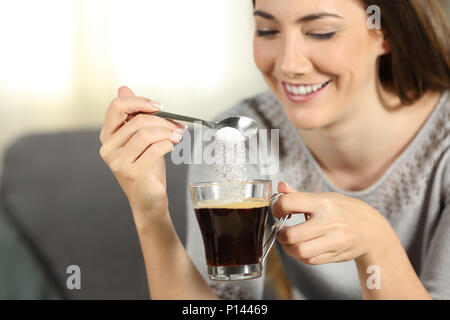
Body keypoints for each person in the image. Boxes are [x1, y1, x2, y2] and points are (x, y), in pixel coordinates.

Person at [99, 0, 450, 299]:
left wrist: (377, 243)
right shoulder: (233, 138)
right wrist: (150, 212)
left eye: (321, 31)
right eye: (267, 30)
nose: (288, 64)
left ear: (385, 31)